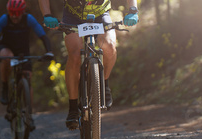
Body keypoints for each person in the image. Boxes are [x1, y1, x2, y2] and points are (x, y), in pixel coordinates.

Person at [38, 0, 139, 130]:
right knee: (74, 55)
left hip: (101, 14)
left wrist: (133, 11)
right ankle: (73, 107)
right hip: (73, 16)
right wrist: (47, 15)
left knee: (109, 46)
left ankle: (104, 84)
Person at [0, 0, 54, 130]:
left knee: (27, 76)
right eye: (12, 13)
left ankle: (29, 114)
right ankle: (5, 87)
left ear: (23, 12)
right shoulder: (4, 19)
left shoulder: (29, 19)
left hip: (23, 52)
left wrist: (49, 51)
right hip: (6, 47)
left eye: (18, 13)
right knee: (6, 56)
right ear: (8, 12)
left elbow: (42, 35)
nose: (15, 16)